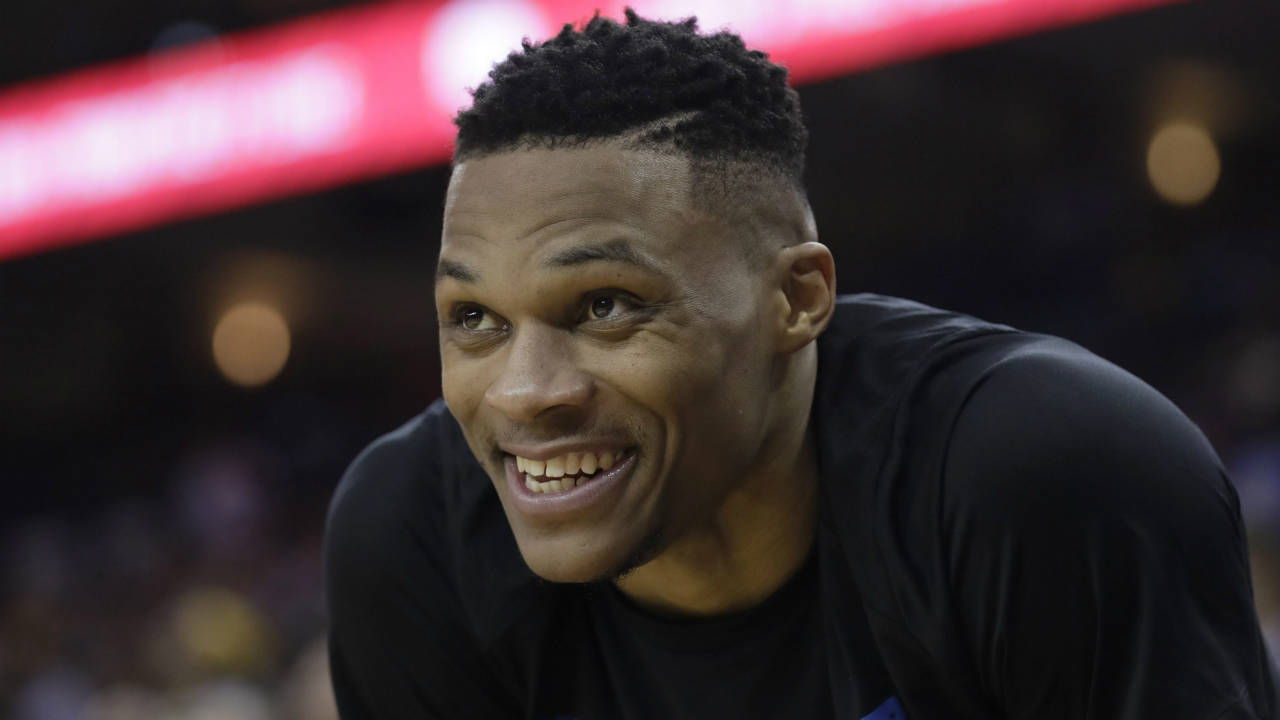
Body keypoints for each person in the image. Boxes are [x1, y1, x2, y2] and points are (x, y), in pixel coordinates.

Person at [324, 10, 1277, 719]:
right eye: (475, 319)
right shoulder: (411, 539)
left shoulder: (1049, 475)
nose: (527, 393)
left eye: (606, 306)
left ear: (799, 299)